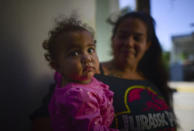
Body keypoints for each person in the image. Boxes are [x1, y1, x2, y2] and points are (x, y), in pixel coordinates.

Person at [31, 12, 178, 131]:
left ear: (147, 45)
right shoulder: (79, 79)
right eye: (123, 36)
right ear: (113, 39)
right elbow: (43, 123)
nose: (129, 42)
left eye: (137, 38)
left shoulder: (153, 79)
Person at [39, 17, 118, 131]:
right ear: (56, 66)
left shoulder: (64, 77)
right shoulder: (81, 98)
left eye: (90, 50)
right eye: (74, 53)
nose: (87, 58)